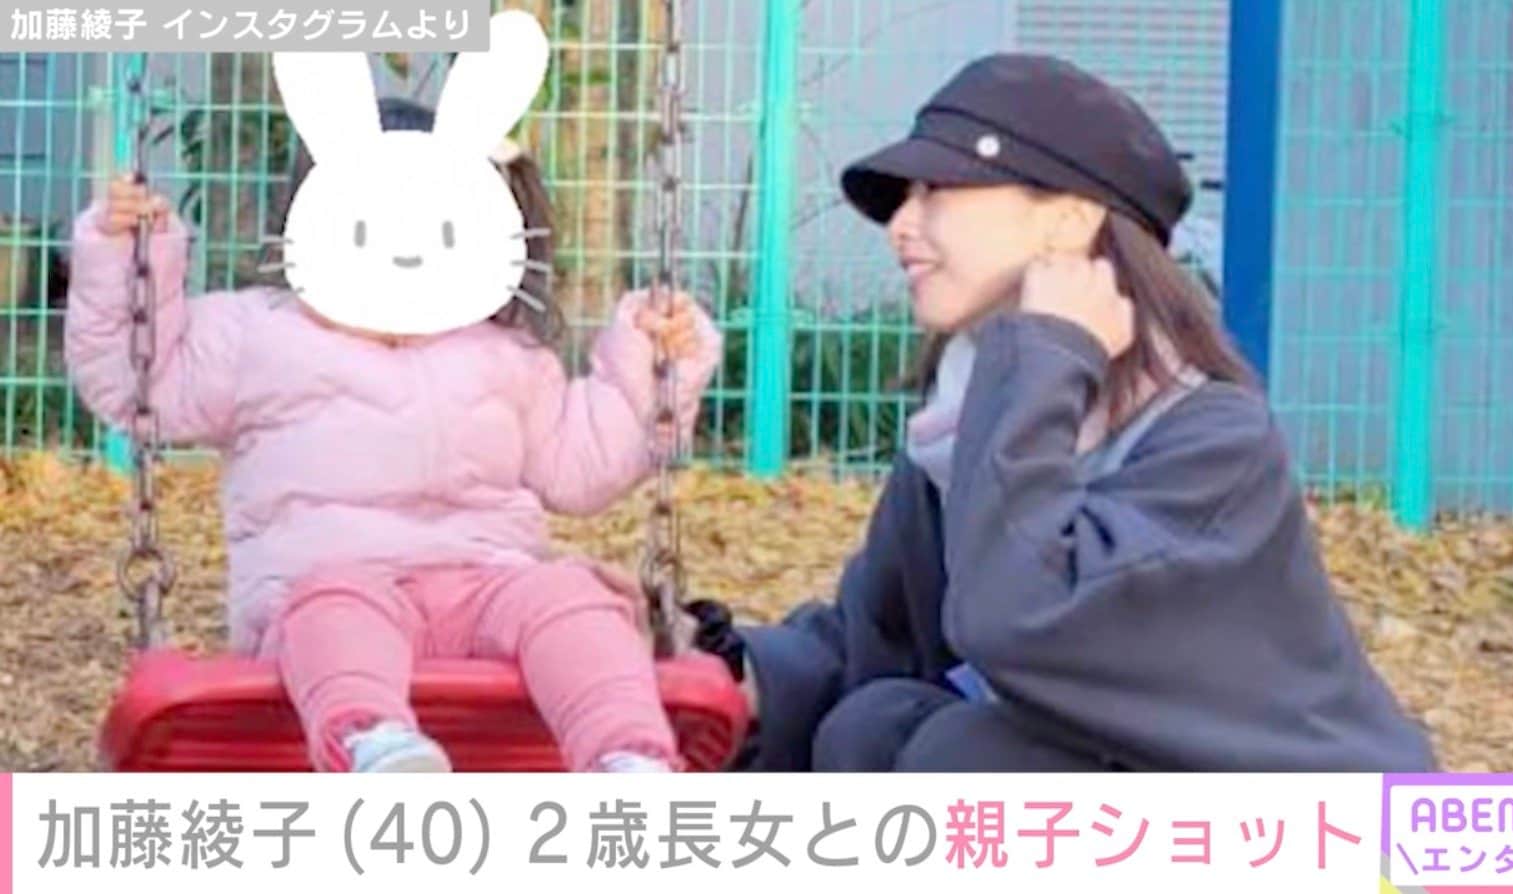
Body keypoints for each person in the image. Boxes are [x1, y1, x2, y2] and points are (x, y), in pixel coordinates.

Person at [679, 54, 1437, 772]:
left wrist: (1045, 356)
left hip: (1307, 824)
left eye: (938, 189)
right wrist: (725, 668)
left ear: (1070, 220)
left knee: (965, 757)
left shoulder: (1211, 444)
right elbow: (877, 642)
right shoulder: (965, 424)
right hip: (1118, 794)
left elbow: (1019, 619)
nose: (901, 224)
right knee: (873, 727)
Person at [66, 97, 722, 774]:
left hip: (487, 586)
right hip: (328, 587)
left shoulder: (505, 354)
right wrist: (124, 260)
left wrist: (650, 368)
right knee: (334, 607)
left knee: (572, 600)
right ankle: (375, 746)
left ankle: (627, 758)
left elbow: (581, 466)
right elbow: (139, 383)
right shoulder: (256, 336)